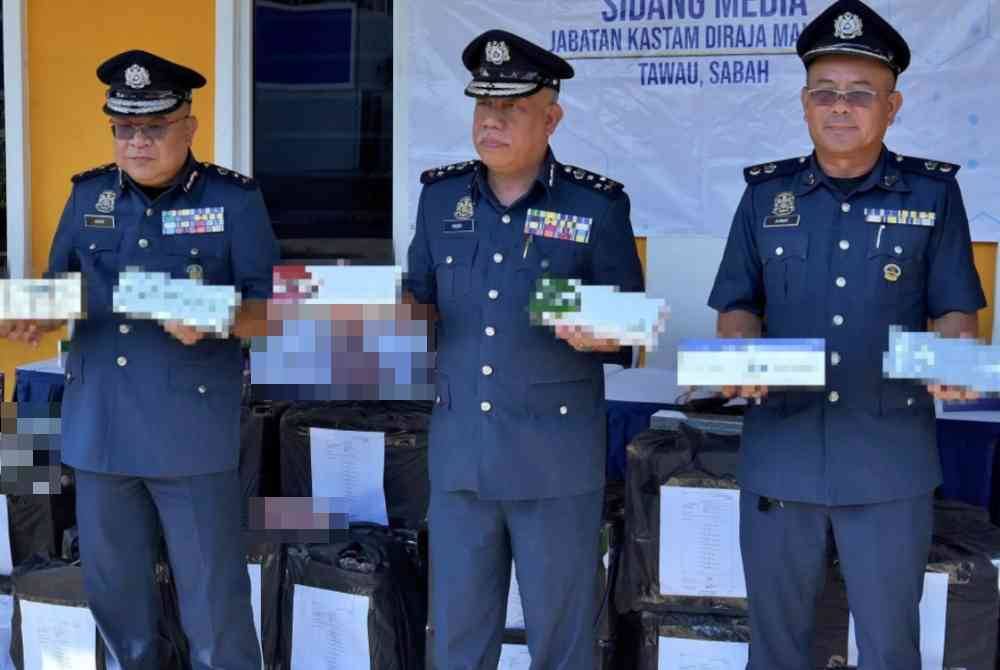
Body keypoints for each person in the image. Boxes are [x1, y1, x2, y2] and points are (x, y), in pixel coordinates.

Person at [707, 2, 985, 668]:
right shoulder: (765, 197)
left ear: (892, 107)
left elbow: (957, 317)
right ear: (805, 104)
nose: (840, 107)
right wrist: (739, 359)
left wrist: (950, 364)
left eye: (860, 94)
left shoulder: (932, 196)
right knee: (775, 650)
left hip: (888, 462)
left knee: (889, 648)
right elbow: (736, 306)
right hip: (781, 456)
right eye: (824, 92)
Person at [1, 49, 278, 669]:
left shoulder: (233, 201)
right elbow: (59, 289)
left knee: (215, 616)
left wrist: (215, 313)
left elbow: (271, 311)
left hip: (191, 438)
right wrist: (33, 315)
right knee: (120, 613)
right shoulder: (88, 195)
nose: (137, 142)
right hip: (101, 435)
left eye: (153, 127)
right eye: (124, 128)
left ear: (189, 126)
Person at [405, 29, 644, 670]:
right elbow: (418, 304)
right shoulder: (440, 198)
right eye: (484, 105)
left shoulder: (595, 205)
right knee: (455, 643)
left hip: (554, 466)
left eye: (511, 107)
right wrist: (373, 319)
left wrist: (605, 329)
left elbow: (634, 326)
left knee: (562, 646)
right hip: (461, 460)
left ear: (551, 118)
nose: (492, 120)